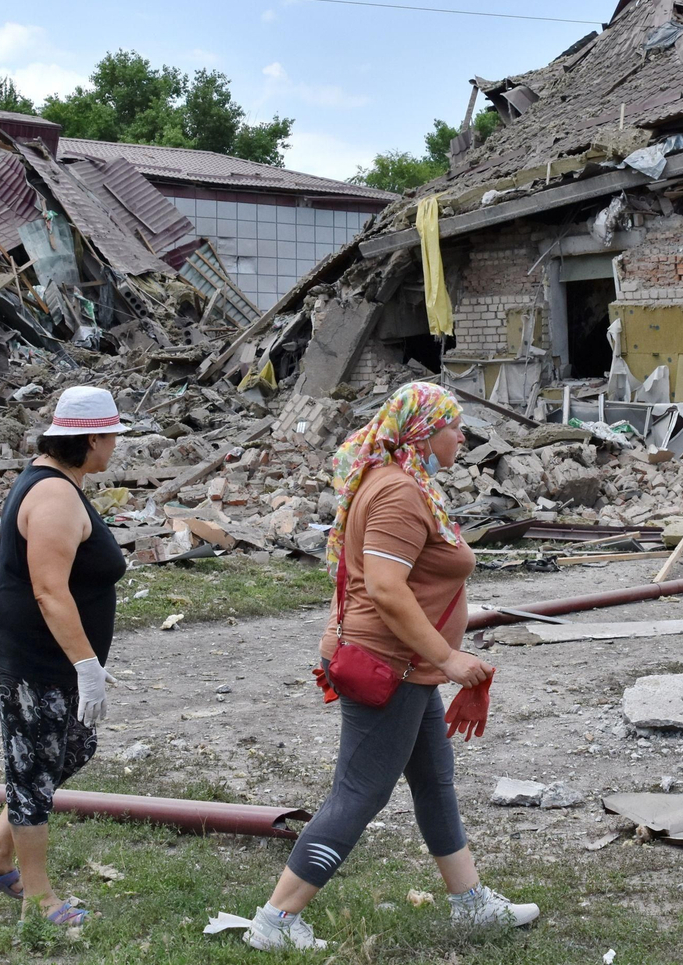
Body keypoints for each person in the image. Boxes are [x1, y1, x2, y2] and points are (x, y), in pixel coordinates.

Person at [243, 382, 540, 953]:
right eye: (455, 426)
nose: (463, 436)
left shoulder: (407, 484)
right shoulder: (400, 494)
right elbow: (382, 585)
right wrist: (448, 656)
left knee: (434, 783)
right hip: (393, 668)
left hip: (410, 668)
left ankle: (470, 904)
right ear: (425, 433)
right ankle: (276, 920)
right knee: (359, 792)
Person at [0, 386, 130, 926]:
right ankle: (39, 899)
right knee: (32, 768)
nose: (115, 448)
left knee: (70, 749)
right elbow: (49, 591)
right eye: (112, 437)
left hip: (43, 655)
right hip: (26, 655)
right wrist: (87, 666)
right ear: (92, 439)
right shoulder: (55, 497)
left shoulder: (62, 484)